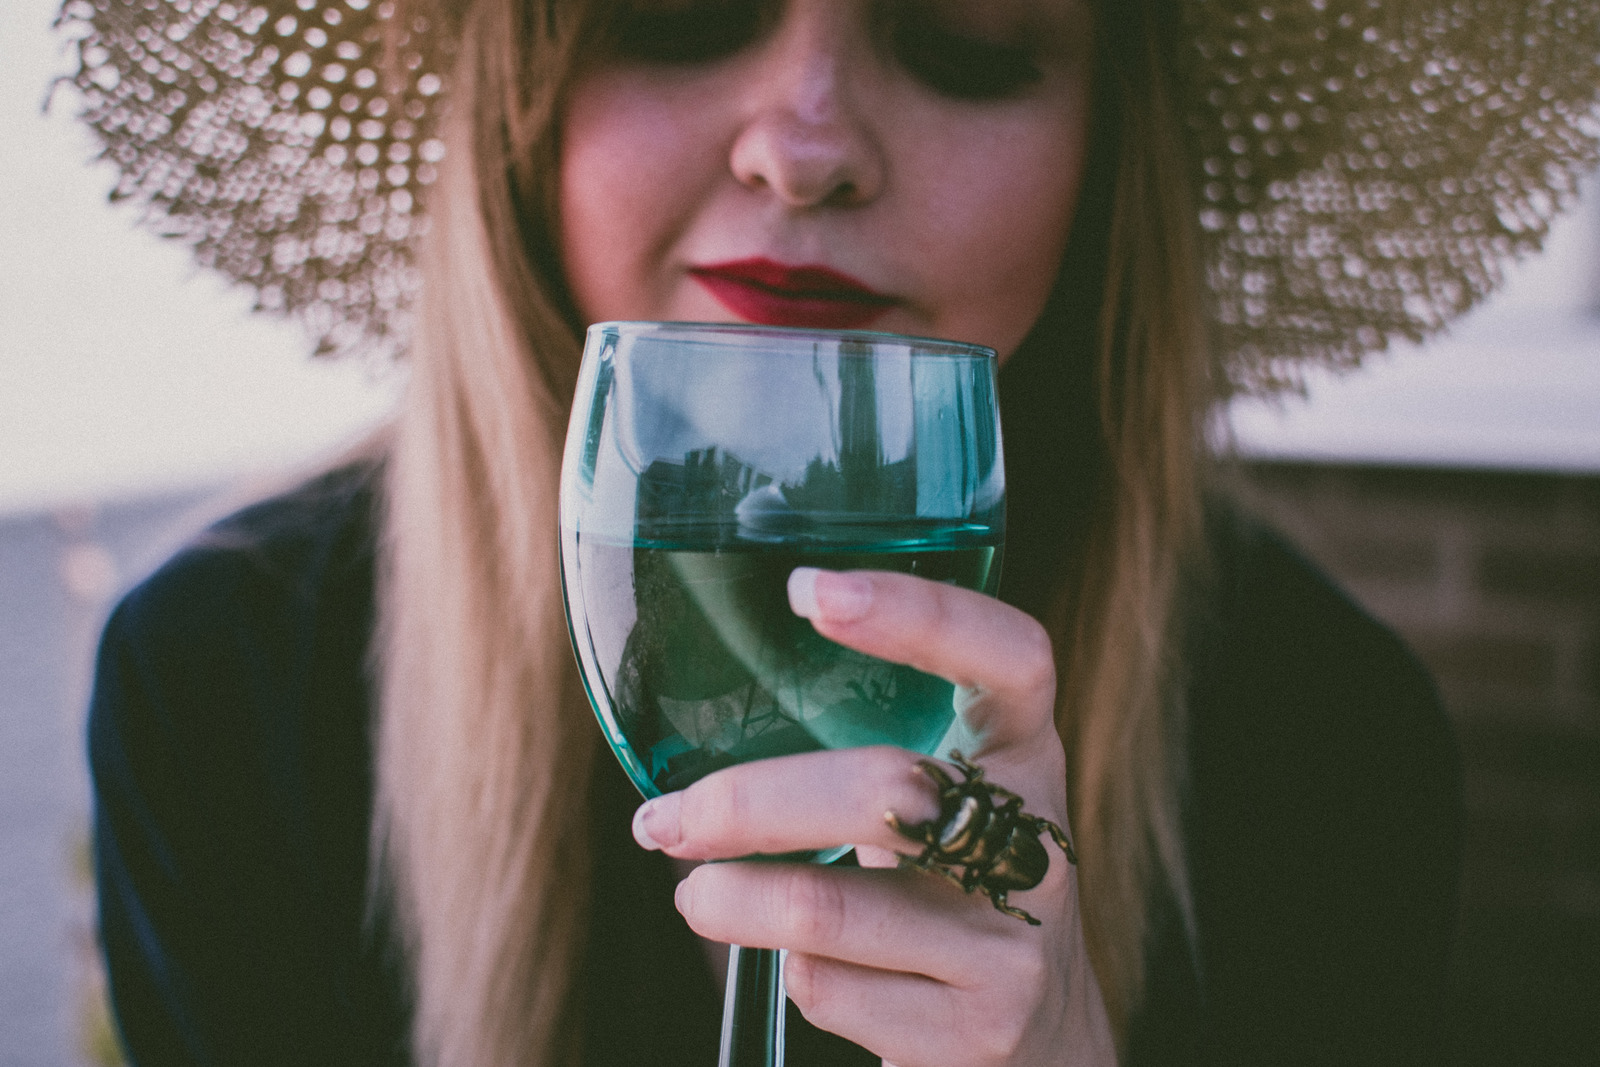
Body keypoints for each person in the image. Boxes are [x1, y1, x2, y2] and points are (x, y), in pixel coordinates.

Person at [66, 0, 1599, 1063]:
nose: (804, 145)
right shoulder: (230, 678)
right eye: (670, 15)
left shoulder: (1320, 735)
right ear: (507, 114)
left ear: (1113, 155)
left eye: (968, 43)